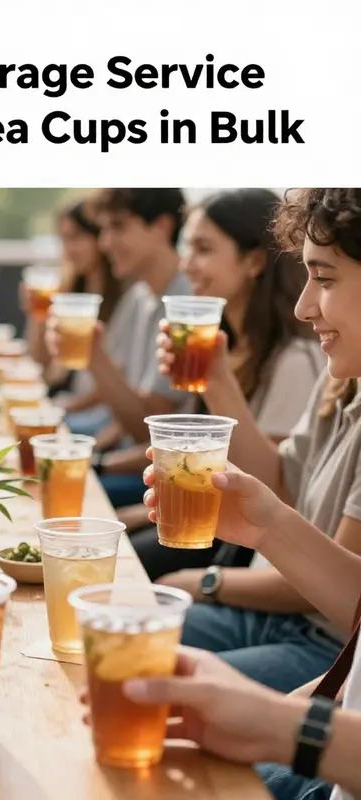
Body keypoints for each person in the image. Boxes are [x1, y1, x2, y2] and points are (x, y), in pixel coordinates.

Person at [132, 188, 361, 800]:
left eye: (327, 278)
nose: (307, 306)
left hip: (314, 639)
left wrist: (206, 579)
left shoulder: (304, 362)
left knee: (148, 710)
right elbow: (283, 482)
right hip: (331, 668)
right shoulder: (341, 381)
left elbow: (343, 609)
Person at [129, 188, 323, 578]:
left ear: (253, 261)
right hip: (205, 524)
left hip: (233, 548)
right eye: (187, 248)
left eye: (203, 249)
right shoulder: (229, 348)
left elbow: (276, 487)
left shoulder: (294, 362)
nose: (186, 265)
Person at [46, 188, 193, 508]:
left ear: (162, 228)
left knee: (54, 493)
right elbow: (123, 398)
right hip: (133, 460)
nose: (105, 242)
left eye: (119, 227)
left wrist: (94, 358)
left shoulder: (187, 305)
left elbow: (146, 428)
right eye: (104, 229)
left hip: (170, 480)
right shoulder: (140, 296)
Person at [24, 199, 127, 437]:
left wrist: (63, 407)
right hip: (73, 408)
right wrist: (37, 317)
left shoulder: (123, 299)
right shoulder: (70, 293)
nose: (68, 249)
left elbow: (116, 383)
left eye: (77, 237)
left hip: (100, 421)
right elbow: (45, 367)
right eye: (63, 239)